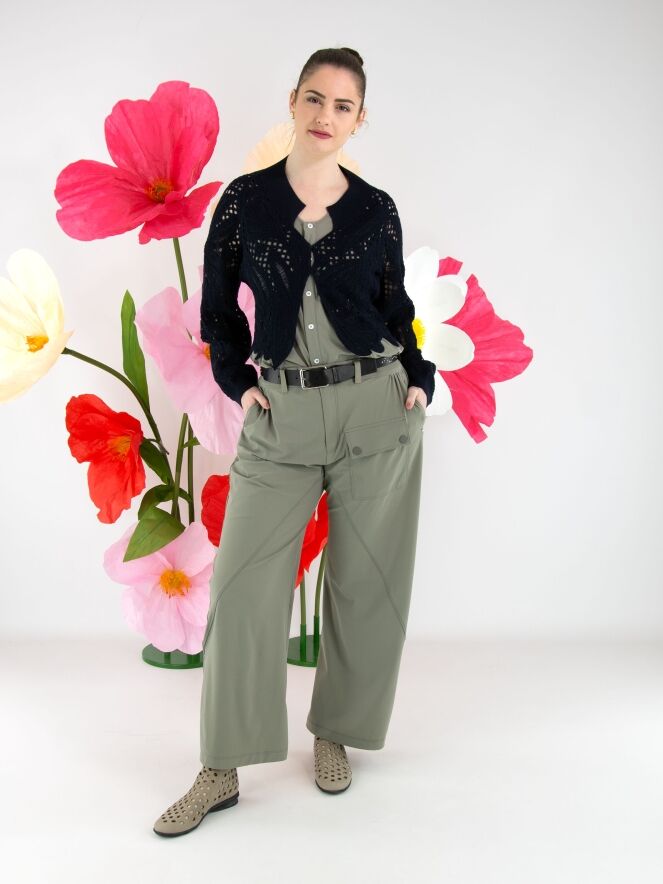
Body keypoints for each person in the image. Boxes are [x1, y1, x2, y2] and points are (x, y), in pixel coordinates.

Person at [153, 46, 436, 837]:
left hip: (375, 407)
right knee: (243, 588)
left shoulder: (375, 210)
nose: (324, 115)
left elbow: (395, 305)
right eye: (314, 98)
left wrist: (417, 377)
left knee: (365, 583)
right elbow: (218, 311)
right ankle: (220, 768)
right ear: (293, 100)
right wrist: (237, 382)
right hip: (281, 415)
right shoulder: (246, 202)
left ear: (358, 120)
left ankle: (333, 732)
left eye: (342, 105)